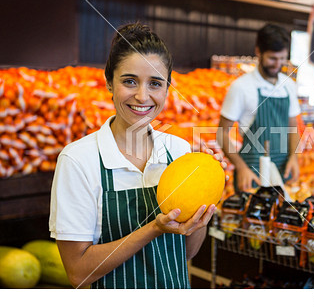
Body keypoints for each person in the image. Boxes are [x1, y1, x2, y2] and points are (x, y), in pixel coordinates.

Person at [49, 23, 224, 289]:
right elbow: (77, 271)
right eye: (129, 81)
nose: (142, 96)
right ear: (109, 82)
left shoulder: (180, 151)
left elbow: (185, 253)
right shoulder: (78, 160)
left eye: (155, 83)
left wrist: (207, 193)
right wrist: (154, 228)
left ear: (168, 89)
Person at [218, 23, 300, 192]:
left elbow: (293, 127)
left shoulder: (289, 86)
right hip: (251, 174)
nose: (278, 64)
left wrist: (294, 157)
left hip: (282, 172)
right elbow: (222, 133)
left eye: (282, 58)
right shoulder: (241, 87)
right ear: (258, 52)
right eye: (272, 58)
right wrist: (241, 168)